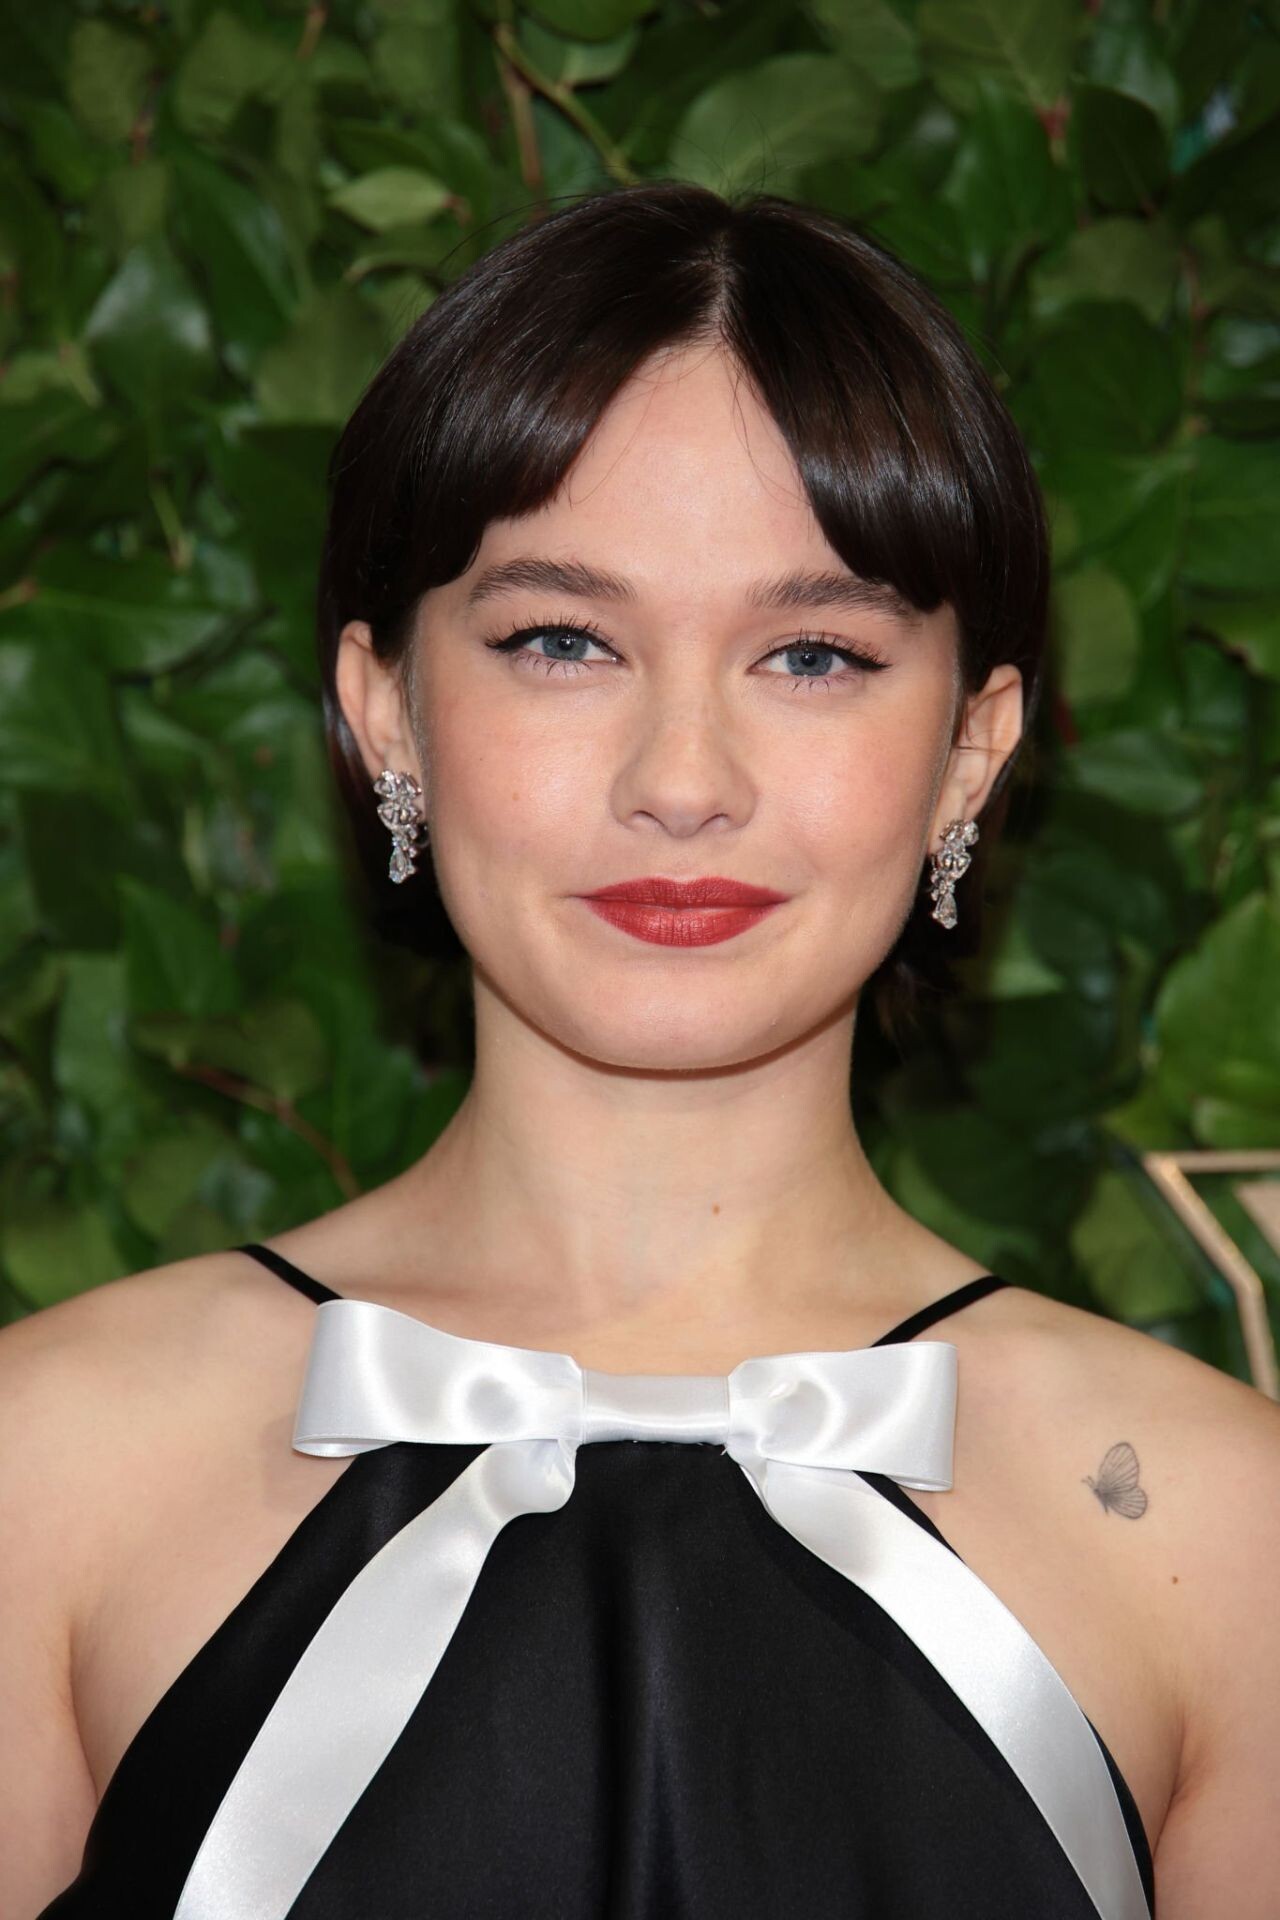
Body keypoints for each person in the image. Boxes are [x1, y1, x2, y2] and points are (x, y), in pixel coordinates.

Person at [4, 181, 1278, 1920]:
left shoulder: (1220, 1533)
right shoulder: (48, 1467)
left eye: (813, 655)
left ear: (971, 754)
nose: (684, 780)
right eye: (563, 642)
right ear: (386, 712)